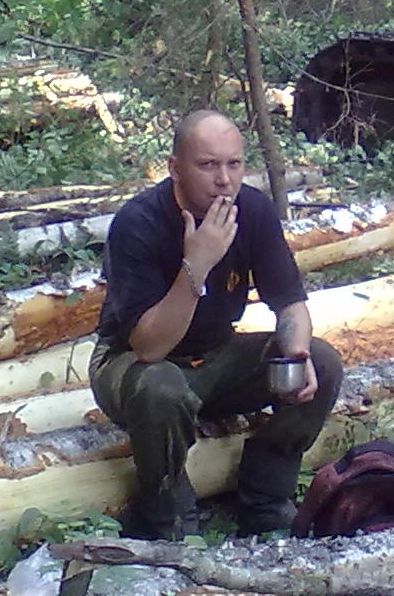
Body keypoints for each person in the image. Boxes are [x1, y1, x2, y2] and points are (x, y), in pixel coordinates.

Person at [88, 110, 344, 540]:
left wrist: (296, 354)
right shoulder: (139, 223)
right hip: (132, 364)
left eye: (234, 164)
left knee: (322, 360)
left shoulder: (252, 210)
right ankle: (167, 516)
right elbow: (149, 347)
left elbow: (290, 303)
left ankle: (265, 497)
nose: (224, 179)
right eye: (208, 165)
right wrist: (197, 264)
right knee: (161, 388)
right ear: (175, 169)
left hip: (217, 354)